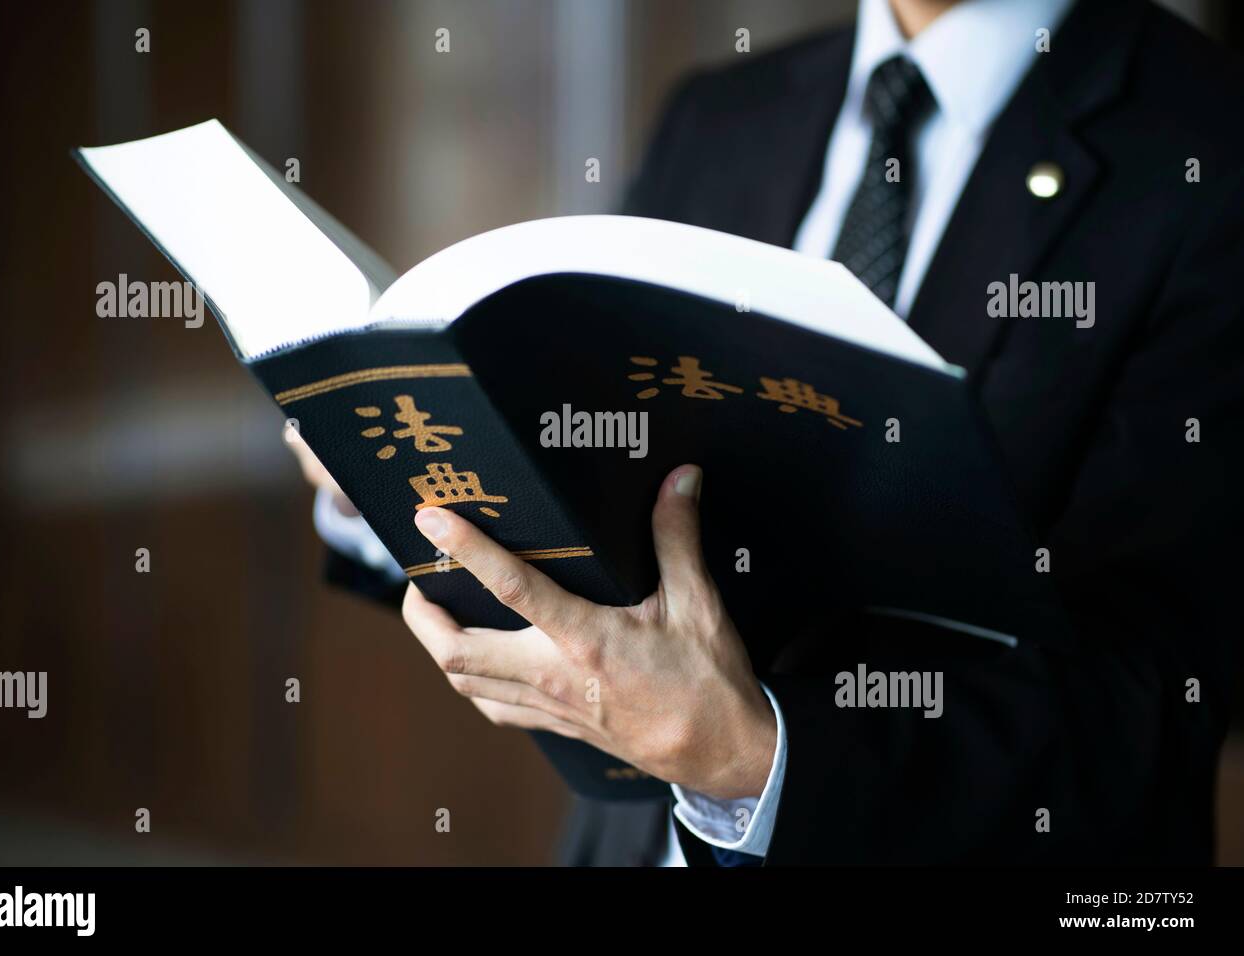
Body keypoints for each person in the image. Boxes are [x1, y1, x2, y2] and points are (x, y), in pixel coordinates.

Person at [295, 0, 1244, 865]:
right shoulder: (721, 115)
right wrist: (395, 475)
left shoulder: (1206, 150)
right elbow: (596, 494)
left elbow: (1159, 701)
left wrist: (751, 758)